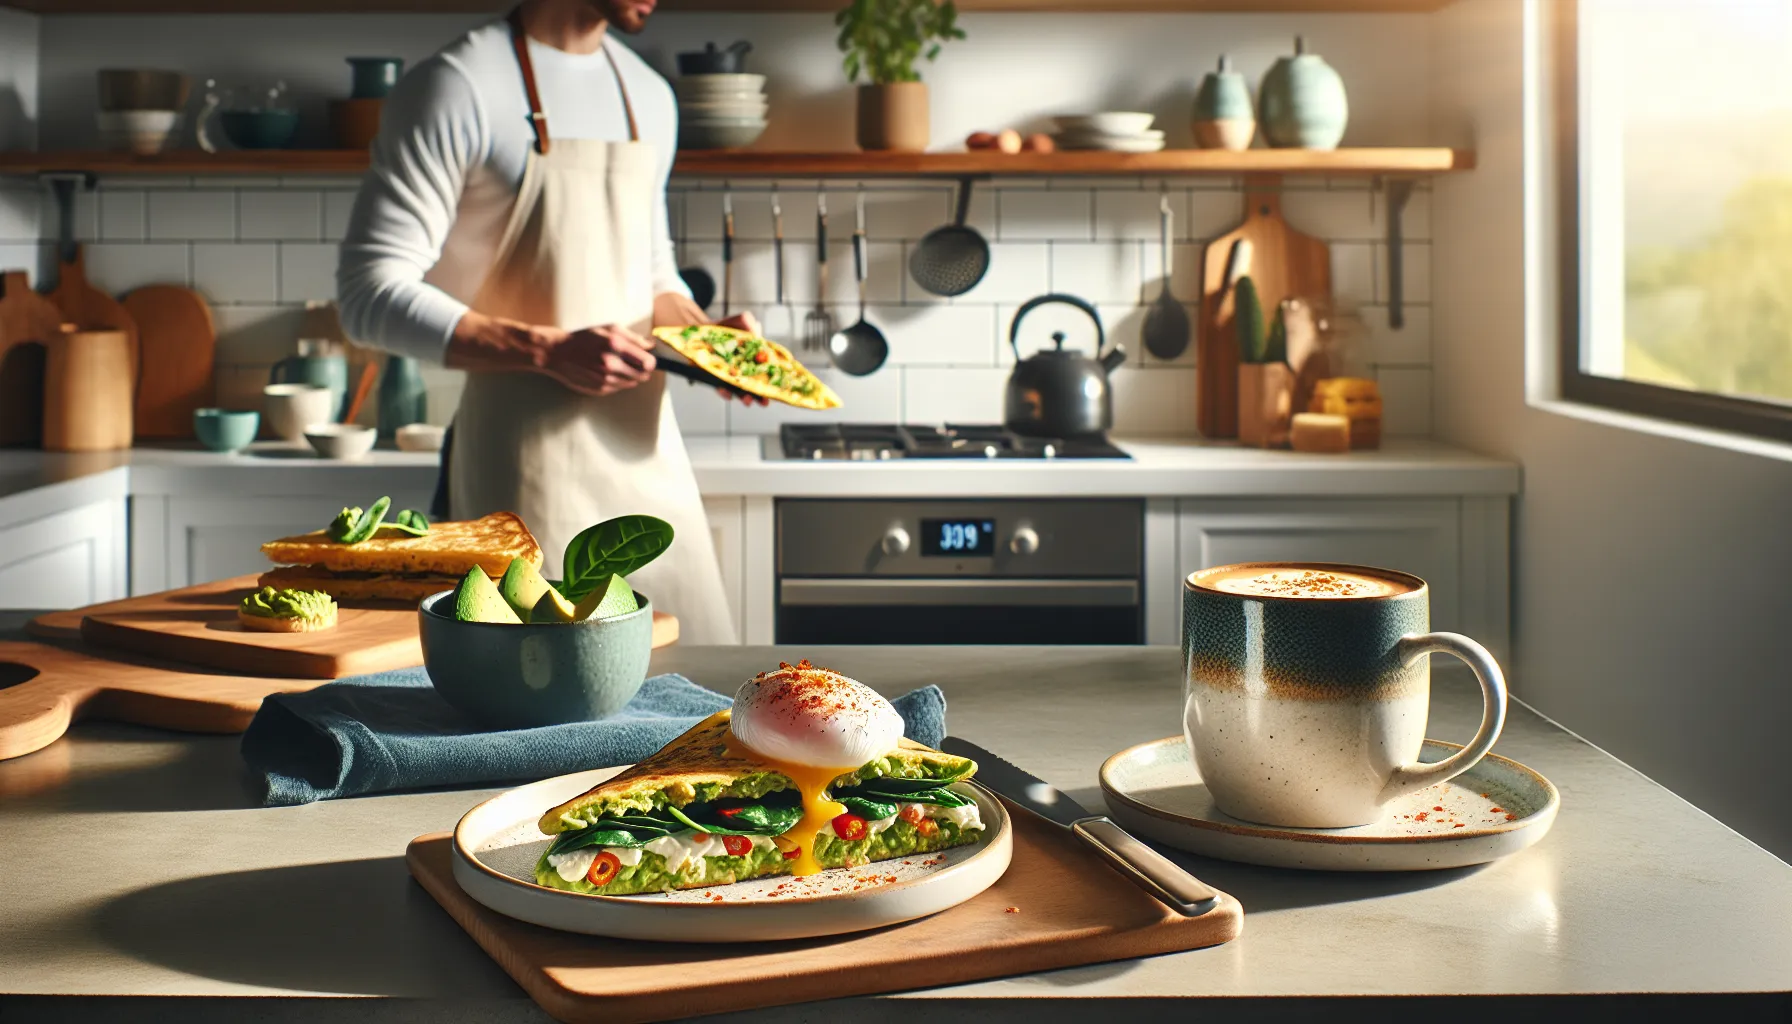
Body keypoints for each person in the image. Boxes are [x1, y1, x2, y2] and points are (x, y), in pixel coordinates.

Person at [337, 0, 756, 644]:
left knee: (695, 694)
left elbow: (651, 273)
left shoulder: (649, 94)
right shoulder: (458, 84)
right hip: (523, 475)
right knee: (540, 708)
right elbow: (369, 293)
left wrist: (704, 338)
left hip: (648, 463)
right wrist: (547, 349)